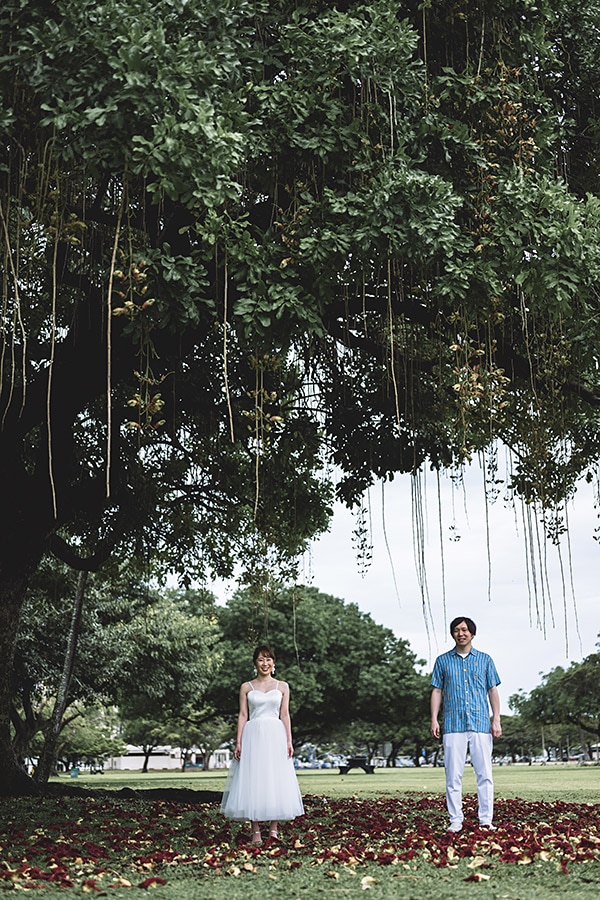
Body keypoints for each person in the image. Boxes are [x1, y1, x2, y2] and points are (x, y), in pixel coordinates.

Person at [220, 644, 304, 844]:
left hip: (275, 735)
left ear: (273, 662)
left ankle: (274, 830)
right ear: (255, 663)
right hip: (253, 735)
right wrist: (238, 741)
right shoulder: (246, 687)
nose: (265, 663)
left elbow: (285, 714)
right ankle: (255, 831)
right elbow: (243, 715)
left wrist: (289, 740)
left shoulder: (282, 686)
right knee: (253, 778)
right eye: (260, 659)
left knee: (275, 778)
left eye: (268, 659)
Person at [430, 616, 502, 833]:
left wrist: (496, 719)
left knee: (485, 774)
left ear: (472, 633)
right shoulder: (443, 661)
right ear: (452, 634)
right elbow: (437, 691)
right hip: (453, 724)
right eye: (456, 630)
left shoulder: (485, 660)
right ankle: (455, 820)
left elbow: (492, 690)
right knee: (453, 776)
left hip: (480, 724)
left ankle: (486, 820)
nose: (460, 634)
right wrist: (434, 719)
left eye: (464, 630)